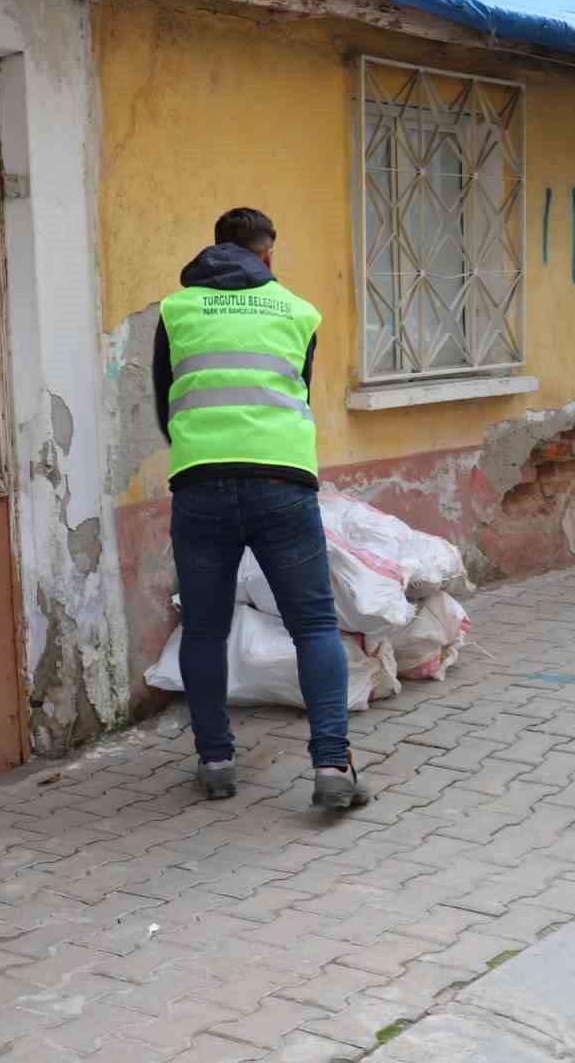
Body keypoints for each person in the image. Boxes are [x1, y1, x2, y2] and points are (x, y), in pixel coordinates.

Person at [152, 207, 367, 808]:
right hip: (283, 481)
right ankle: (331, 767)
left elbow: (164, 399)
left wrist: (207, 452)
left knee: (204, 628)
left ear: (214, 248)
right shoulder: (299, 311)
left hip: (200, 481)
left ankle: (216, 760)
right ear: (266, 254)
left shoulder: (177, 309)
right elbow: (294, 389)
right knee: (315, 625)